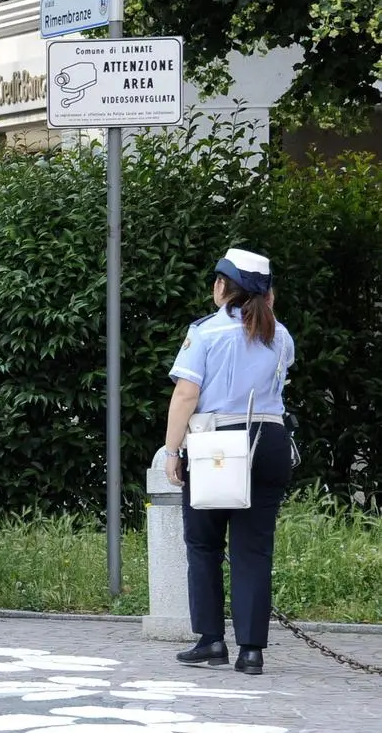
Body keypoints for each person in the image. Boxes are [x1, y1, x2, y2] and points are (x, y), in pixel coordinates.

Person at [163, 247, 295, 676]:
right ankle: (252, 652)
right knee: (253, 550)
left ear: (222, 287)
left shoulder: (204, 333)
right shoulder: (283, 337)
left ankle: (211, 641)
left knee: (203, 544)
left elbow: (186, 394)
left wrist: (172, 451)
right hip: (270, 439)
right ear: (268, 295)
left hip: (217, 443)